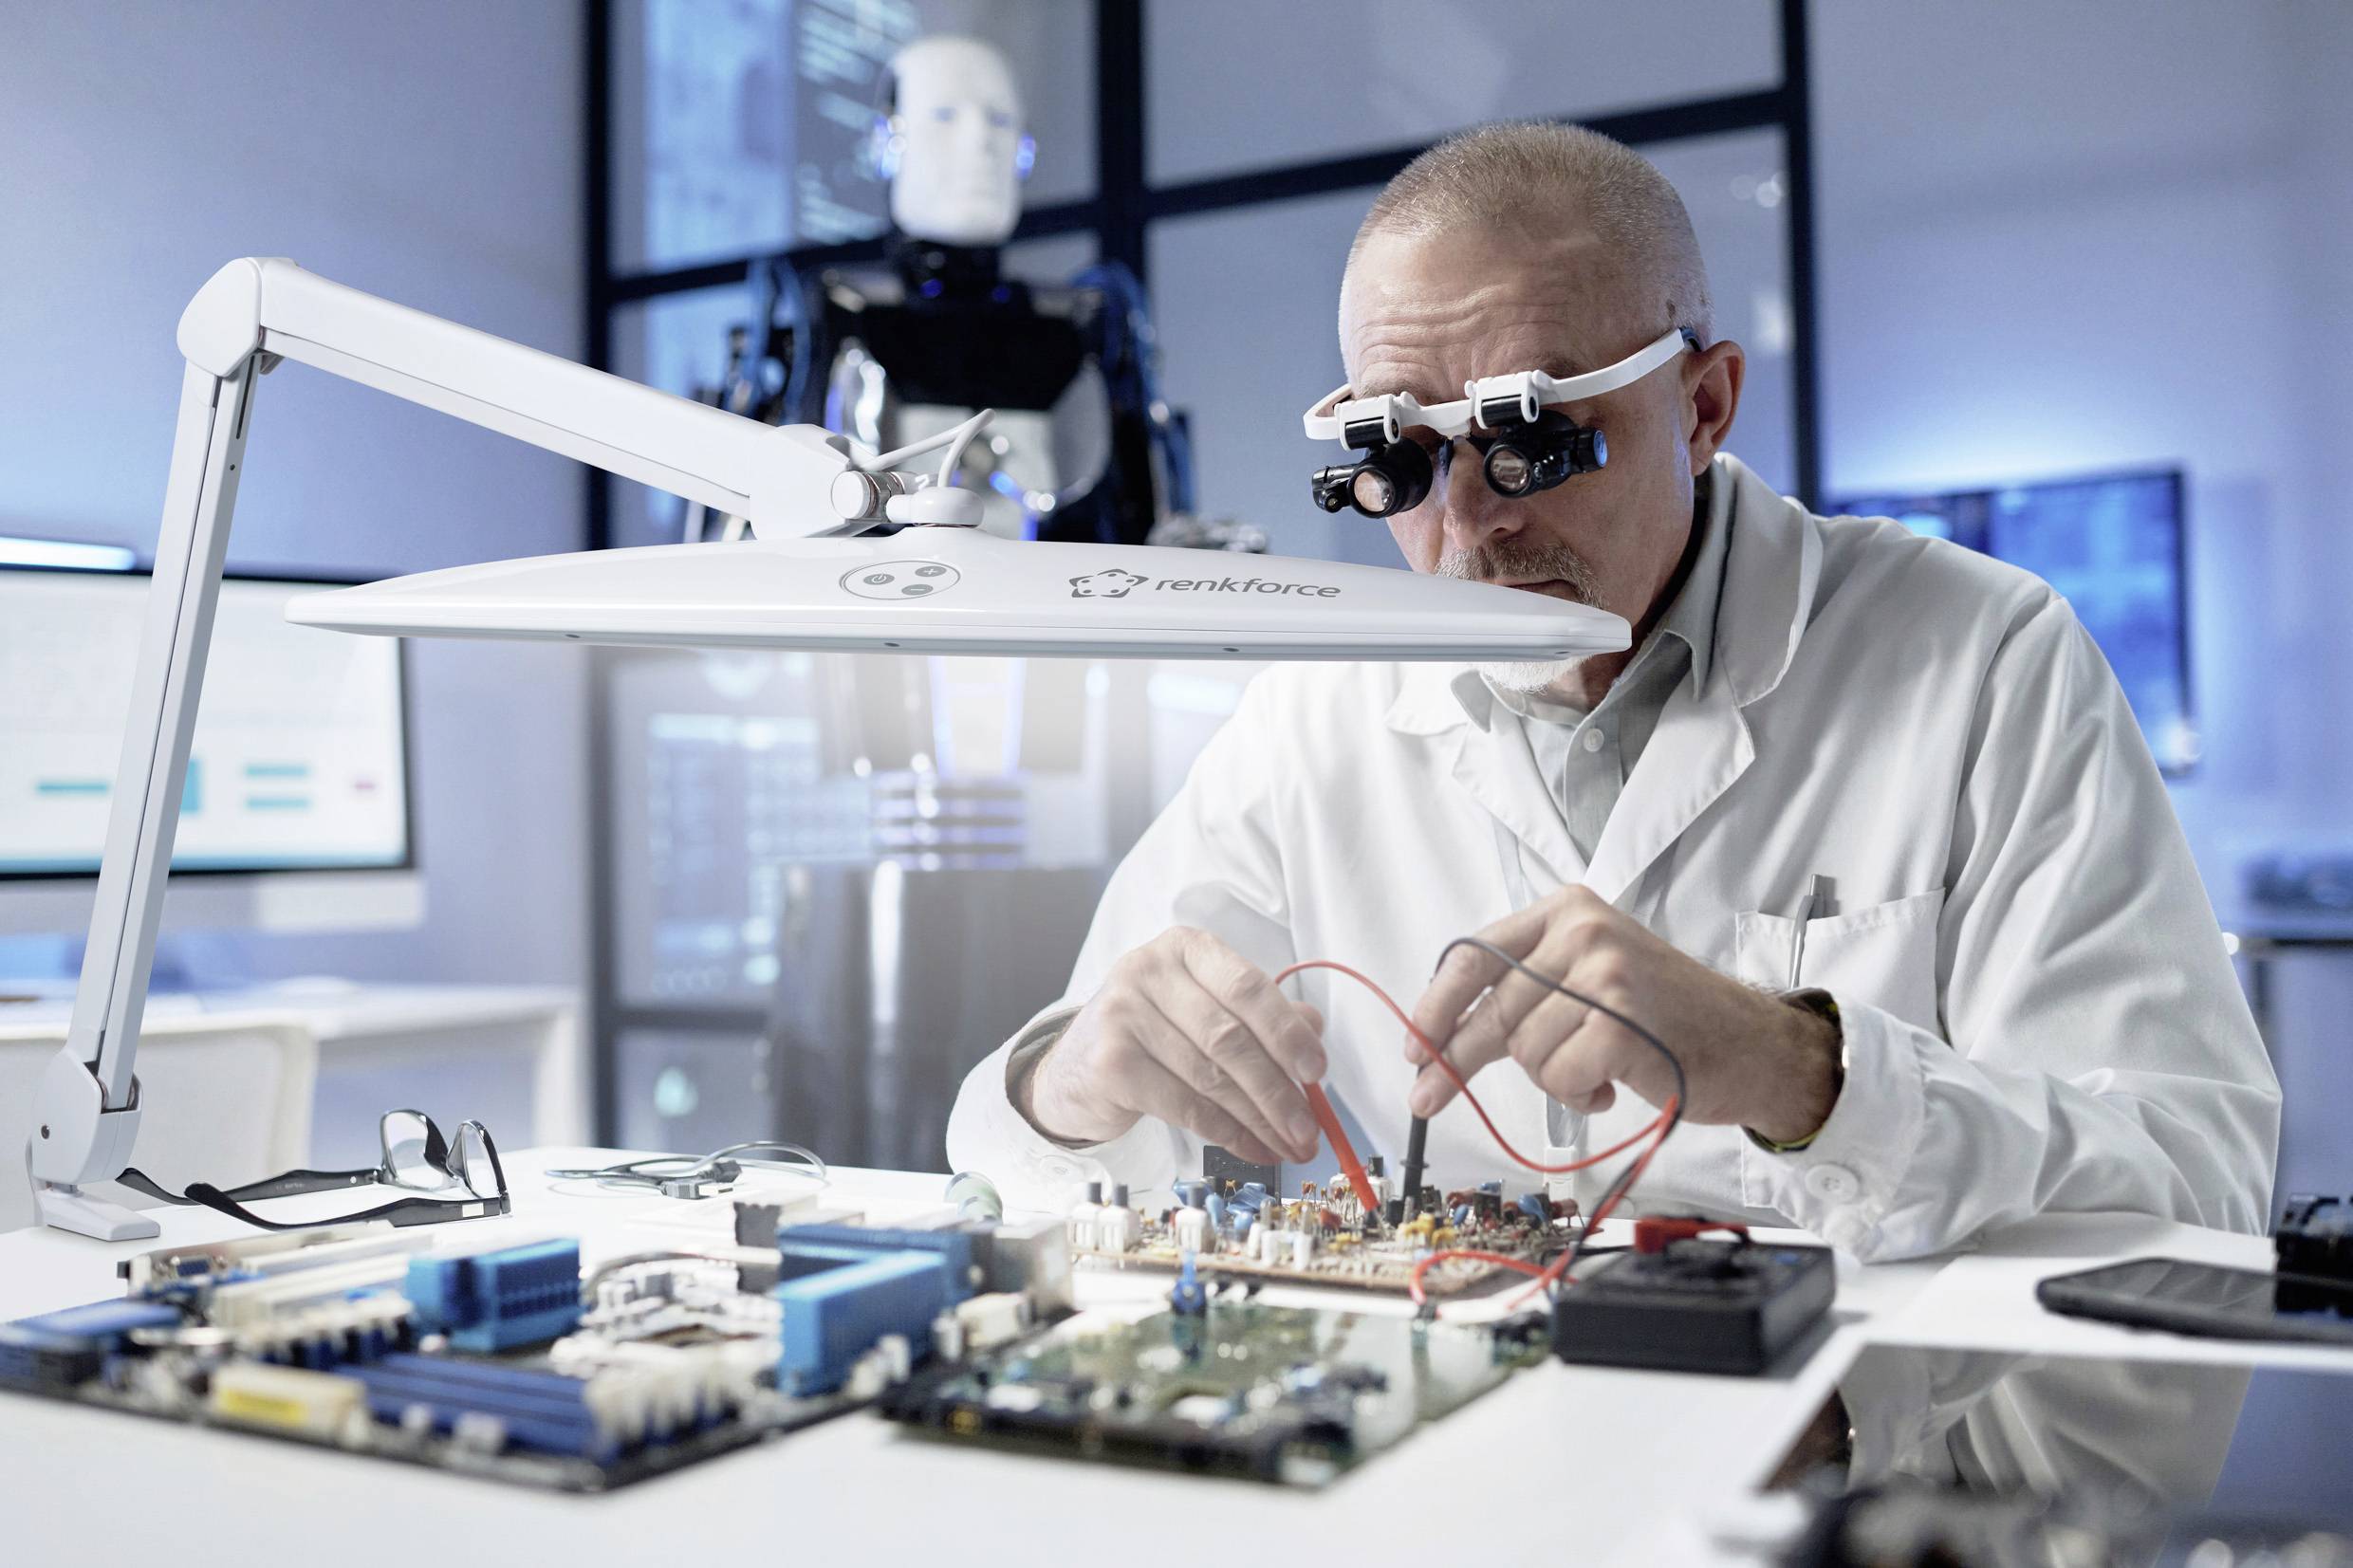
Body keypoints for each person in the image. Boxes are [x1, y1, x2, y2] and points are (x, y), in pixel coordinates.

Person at [944, 121, 2278, 1261]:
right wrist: (1070, 1077)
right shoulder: (1316, 714)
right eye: (1398, 458)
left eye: (1530, 442)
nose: (1464, 528)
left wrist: (1798, 1067)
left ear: (1704, 406)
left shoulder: (1987, 661)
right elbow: (1038, 1172)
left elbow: (2198, 1182)